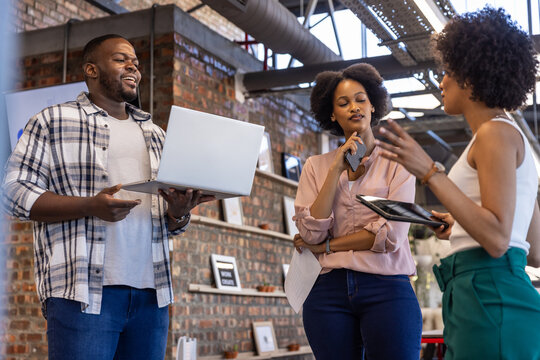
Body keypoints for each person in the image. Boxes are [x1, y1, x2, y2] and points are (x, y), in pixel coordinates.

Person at [2, 34, 213, 360]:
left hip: (151, 295)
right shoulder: (52, 121)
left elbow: (169, 223)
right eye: (120, 59)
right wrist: (89, 205)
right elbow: (13, 192)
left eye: (136, 62)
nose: (133, 66)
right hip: (82, 294)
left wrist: (178, 212)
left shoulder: (155, 134)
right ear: (91, 69)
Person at [375, 7, 540, 359]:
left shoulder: (494, 133)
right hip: (499, 295)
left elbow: (496, 239)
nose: (442, 81)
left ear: (471, 76)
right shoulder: (511, 137)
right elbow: (533, 248)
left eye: (448, 71)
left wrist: (429, 172)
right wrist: (462, 226)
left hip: (487, 296)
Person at [292, 63, 422, 359]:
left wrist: (326, 245)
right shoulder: (316, 166)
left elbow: (390, 236)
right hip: (327, 291)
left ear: (374, 105)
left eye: (361, 99)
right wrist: (336, 167)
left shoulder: (398, 163)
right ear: (332, 114)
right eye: (343, 103)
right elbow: (311, 229)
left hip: (387, 287)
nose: (354, 107)